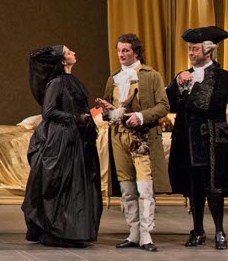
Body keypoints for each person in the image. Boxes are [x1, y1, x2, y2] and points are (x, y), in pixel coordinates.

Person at [168, 26, 228, 250]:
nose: (191, 53)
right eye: (190, 49)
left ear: (208, 51)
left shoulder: (221, 76)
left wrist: (190, 87)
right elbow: (170, 103)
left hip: (210, 139)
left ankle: (219, 230)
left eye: (195, 49)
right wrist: (179, 84)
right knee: (194, 187)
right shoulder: (183, 74)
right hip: (187, 139)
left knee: (213, 185)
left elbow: (211, 104)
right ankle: (198, 229)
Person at [21, 45, 102, 248]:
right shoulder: (56, 83)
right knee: (62, 183)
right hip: (61, 139)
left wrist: (89, 116)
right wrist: (75, 118)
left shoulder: (73, 81)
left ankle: (73, 232)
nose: (73, 53)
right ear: (63, 61)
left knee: (75, 185)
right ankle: (57, 232)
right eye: (68, 52)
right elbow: (48, 112)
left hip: (77, 137)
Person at [96, 33, 170, 252]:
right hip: (119, 136)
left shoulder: (151, 75)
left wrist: (141, 116)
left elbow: (163, 106)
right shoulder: (114, 78)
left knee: (145, 187)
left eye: (126, 50)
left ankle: (146, 234)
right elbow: (109, 110)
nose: (121, 54)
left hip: (142, 137)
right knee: (127, 187)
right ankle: (134, 232)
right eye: (119, 50)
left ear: (136, 52)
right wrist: (109, 111)